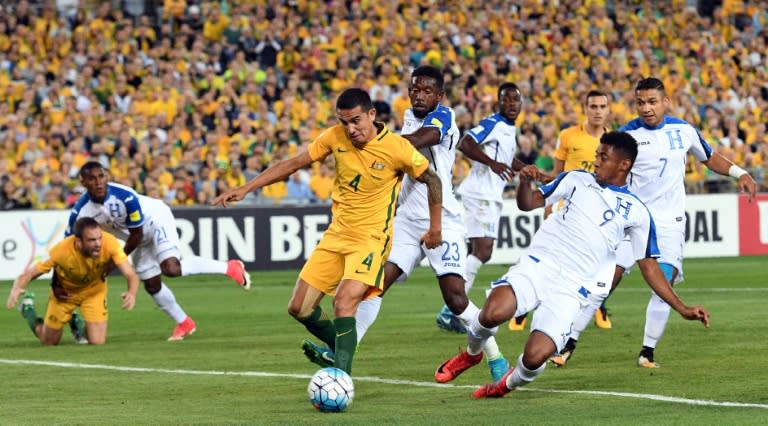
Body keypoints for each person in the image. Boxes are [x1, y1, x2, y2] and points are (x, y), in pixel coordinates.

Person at [433, 131, 710, 399]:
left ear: (624, 165)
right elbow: (529, 204)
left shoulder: (638, 211)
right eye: (597, 154)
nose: (597, 160)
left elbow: (649, 267)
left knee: (533, 359)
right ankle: (471, 355)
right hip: (540, 265)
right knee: (493, 313)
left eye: (604, 156)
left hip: (574, 288)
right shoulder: (575, 179)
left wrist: (681, 308)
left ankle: (506, 384)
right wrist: (525, 182)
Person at [212, 88, 443, 375]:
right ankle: (342, 347)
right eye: (344, 122)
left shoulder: (397, 148)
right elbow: (293, 165)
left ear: (372, 115)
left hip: (371, 239)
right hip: (336, 235)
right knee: (299, 308)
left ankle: (341, 378)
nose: (350, 129)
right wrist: (246, 188)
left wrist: (435, 228)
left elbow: (433, 181)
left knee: (344, 301)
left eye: (356, 120)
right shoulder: (335, 137)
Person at [304, 66, 510, 381]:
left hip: (442, 219)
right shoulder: (407, 115)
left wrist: (381, 145)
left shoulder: (444, 117)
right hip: (405, 220)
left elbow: (422, 140)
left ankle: (495, 358)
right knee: (373, 288)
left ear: (439, 95)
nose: (419, 95)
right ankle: (343, 350)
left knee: (455, 299)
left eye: (427, 90)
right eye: (415, 89)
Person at [550, 78, 757, 369]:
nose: (646, 108)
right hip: (630, 219)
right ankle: (567, 342)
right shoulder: (627, 136)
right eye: (640, 102)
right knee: (605, 281)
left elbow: (709, 158)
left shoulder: (683, 131)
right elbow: (606, 173)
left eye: (652, 101)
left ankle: (647, 351)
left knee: (665, 282)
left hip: (669, 223)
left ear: (665, 102)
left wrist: (740, 173)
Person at [69, 161, 252, 341]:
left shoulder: (124, 196)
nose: (99, 182)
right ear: (83, 182)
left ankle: (230, 267)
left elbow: (136, 234)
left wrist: (112, 264)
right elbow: (70, 243)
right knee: (152, 285)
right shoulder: (81, 212)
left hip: (155, 220)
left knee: (171, 268)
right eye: (92, 179)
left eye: (101, 176)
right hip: (138, 238)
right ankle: (184, 322)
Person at [511, 90, 613, 333]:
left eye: (602, 106)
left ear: (608, 110)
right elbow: (556, 176)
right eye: (593, 106)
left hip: (594, 214)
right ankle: (523, 308)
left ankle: (598, 306)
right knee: (545, 256)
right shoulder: (568, 136)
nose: (598, 111)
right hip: (564, 208)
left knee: (596, 261)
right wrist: (549, 207)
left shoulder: (613, 141)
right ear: (585, 109)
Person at [435, 82, 528, 333]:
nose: (511, 104)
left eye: (515, 100)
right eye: (506, 100)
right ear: (499, 103)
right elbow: (465, 143)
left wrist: (527, 170)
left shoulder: (509, 128)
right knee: (483, 250)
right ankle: (450, 311)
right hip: (481, 193)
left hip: (489, 195)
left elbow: (506, 160)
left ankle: (452, 308)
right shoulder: (493, 122)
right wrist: (492, 163)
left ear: (521, 104)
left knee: (473, 250)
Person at [5, 217, 139, 345]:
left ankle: (75, 322)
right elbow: (29, 274)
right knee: (48, 341)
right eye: (92, 240)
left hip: (94, 292)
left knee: (97, 341)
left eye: (99, 238)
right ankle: (28, 310)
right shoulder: (61, 250)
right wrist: (16, 288)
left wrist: (131, 293)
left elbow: (130, 274)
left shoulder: (110, 243)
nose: (98, 244)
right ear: (78, 241)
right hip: (65, 294)